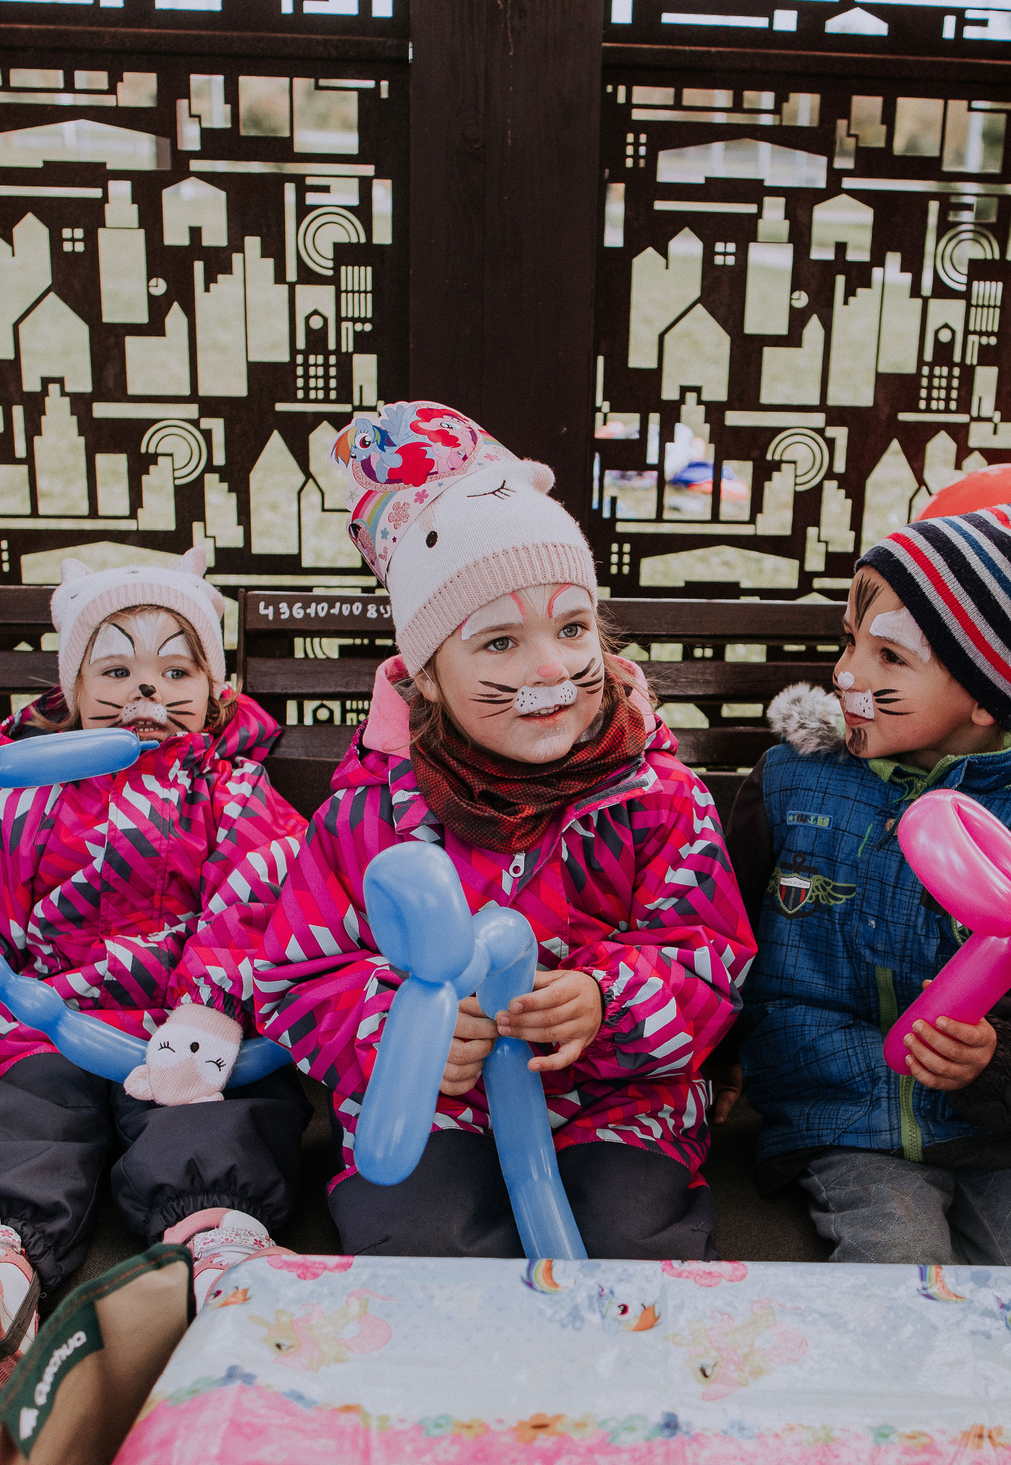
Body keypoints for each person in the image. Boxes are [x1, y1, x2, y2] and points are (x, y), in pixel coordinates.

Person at [253, 401, 755, 1258]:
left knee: (628, 1240)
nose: (550, 669)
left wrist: (606, 1002)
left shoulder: (658, 799)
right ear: (427, 679)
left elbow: (708, 954)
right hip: (435, 1107)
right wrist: (400, 1038)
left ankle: (613, 1387)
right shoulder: (370, 815)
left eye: (570, 628)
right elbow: (297, 976)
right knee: (413, 1236)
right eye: (498, 644)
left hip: (617, 1104)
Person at [0, 548, 310, 1391]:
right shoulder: (21, 799)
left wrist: (209, 1010)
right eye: (117, 668)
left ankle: (222, 1246)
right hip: (48, 1021)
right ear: (73, 690)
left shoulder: (236, 792)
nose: (147, 691)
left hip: (186, 1036)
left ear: (217, 688)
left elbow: (258, 899)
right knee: (12, 1108)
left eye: (177, 668)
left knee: (214, 1116)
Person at [729, 503, 1011, 1267]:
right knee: (894, 1265)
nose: (847, 673)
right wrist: (709, 1062)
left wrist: (1001, 1056)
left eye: (890, 657)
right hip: (845, 1118)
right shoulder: (793, 782)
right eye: (850, 642)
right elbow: (723, 936)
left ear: (986, 694)